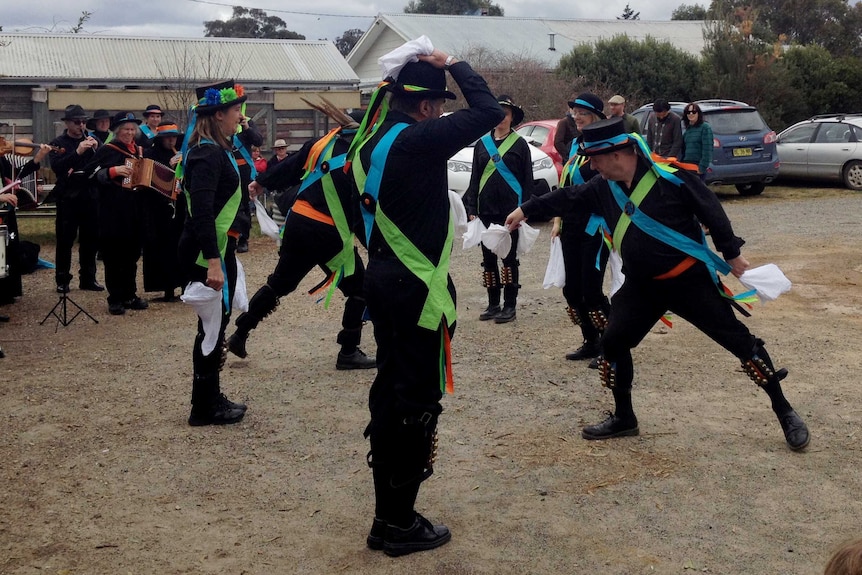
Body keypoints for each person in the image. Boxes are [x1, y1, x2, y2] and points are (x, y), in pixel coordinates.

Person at [505, 117, 810, 451]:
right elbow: (568, 197)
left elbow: (711, 210)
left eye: (595, 158)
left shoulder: (672, 178)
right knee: (614, 341)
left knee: (741, 343)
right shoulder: (602, 187)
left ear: (619, 154)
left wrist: (732, 254)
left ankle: (784, 410)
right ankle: (625, 418)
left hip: (689, 282)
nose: (591, 165)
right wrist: (526, 209)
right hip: (641, 288)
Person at [349, 44, 503, 556]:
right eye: (438, 103)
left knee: (390, 390)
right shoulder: (419, 140)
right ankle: (399, 521)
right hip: (417, 287)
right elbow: (488, 112)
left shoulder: (369, 143)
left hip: (383, 278)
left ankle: (383, 516)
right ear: (425, 106)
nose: (441, 112)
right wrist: (454, 63)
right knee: (416, 402)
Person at [226, 103, 376, 370]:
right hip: (327, 231)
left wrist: (262, 182)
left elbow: (292, 166)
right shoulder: (363, 157)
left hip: (298, 222)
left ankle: (240, 333)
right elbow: (359, 208)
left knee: (279, 284)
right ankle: (349, 351)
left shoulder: (321, 144)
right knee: (360, 289)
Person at [177, 80, 248, 427]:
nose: (241, 116)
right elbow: (202, 212)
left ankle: (210, 396)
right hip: (208, 255)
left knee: (214, 329)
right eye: (236, 110)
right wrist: (215, 262)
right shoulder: (207, 154)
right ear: (218, 114)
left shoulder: (215, 149)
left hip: (217, 250)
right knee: (210, 330)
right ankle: (204, 406)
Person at [462, 94, 532, 323]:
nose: (502, 118)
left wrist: (526, 208)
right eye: (498, 113)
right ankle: (493, 304)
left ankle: (510, 306)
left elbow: (527, 180)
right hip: (485, 209)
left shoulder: (521, 145)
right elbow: (474, 178)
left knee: (509, 259)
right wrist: (472, 206)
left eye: (506, 114)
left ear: (512, 118)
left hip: (510, 210)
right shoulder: (482, 144)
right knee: (488, 260)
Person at [554, 93, 610, 365]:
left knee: (592, 291)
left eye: (583, 113)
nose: (577, 117)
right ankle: (590, 340)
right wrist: (557, 220)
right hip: (571, 225)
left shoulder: (608, 147)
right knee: (571, 290)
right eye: (575, 112)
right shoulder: (576, 144)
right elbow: (566, 186)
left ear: (597, 117)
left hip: (596, 228)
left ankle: (611, 345)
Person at [85, 112, 149, 316]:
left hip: (134, 209)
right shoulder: (107, 150)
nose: (129, 133)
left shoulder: (139, 151)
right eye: (125, 130)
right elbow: (89, 173)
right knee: (114, 255)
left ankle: (130, 294)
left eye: (132, 130)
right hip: (112, 211)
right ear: (117, 132)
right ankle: (115, 298)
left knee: (131, 254)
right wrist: (113, 171)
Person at [49, 104, 103, 294]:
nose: (81, 125)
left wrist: (98, 150)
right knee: (65, 240)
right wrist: (78, 152)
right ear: (67, 123)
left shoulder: (92, 140)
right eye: (77, 122)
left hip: (90, 196)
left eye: (83, 121)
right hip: (68, 198)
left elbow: (103, 163)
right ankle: (62, 279)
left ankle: (88, 278)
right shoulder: (58, 142)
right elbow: (58, 167)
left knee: (90, 240)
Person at [0, 144, 51, 305]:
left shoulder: (1, 159)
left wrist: (39, 156)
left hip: (4, 213)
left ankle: (5, 292)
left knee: (8, 249)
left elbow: (18, 175)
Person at [142, 121, 185, 301]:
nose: (171, 141)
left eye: (174, 137)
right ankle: (166, 287)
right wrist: (168, 165)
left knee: (181, 246)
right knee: (162, 247)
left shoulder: (183, 154)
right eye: (168, 138)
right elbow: (148, 180)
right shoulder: (151, 154)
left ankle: (184, 285)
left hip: (180, 207)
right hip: (158, 209)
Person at [231, 114, 263, 254]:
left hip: (244, 171)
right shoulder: (222, 120)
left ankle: (243, 239)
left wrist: (246, 127)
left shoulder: (248, 122)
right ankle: (230, 237)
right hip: (227, 168)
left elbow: (258, 141)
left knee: (244, 205)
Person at [681, 103, 714, 180]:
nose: (691, 114)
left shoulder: (705, 127)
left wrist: (702, 167)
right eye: (688, 112)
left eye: (694, 112)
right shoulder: (688, 130)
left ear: (698, 113)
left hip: (698, 166)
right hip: (687, 165)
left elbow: (708, 149)